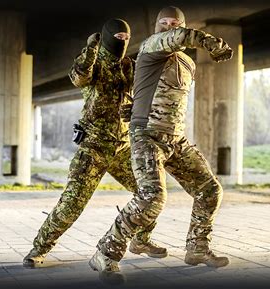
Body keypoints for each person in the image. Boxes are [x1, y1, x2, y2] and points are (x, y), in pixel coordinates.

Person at [89, 6, 233, 283]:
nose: (169, 27)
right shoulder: (151, 46)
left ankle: (198, 248)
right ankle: (104, 254)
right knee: (152, 197)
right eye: (164, 23)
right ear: (157, 27)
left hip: (175, 138)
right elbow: (180, 38)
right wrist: (212, 44)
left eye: (175, 23)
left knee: (210, 190)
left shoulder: (188, 64)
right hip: (146, 135)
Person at [23, 18, 167, 268]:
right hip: (94, 147)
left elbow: (146, 93)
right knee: (72, 203)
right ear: (107, 37)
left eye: (125, 38)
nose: (121, 42)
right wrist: (91, 49)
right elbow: (78, 77)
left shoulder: (129, 66)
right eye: (117, 38)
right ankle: (39, 248)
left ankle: (142, 239)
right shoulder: (94, 63)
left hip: (122, 146)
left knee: (150, 193)